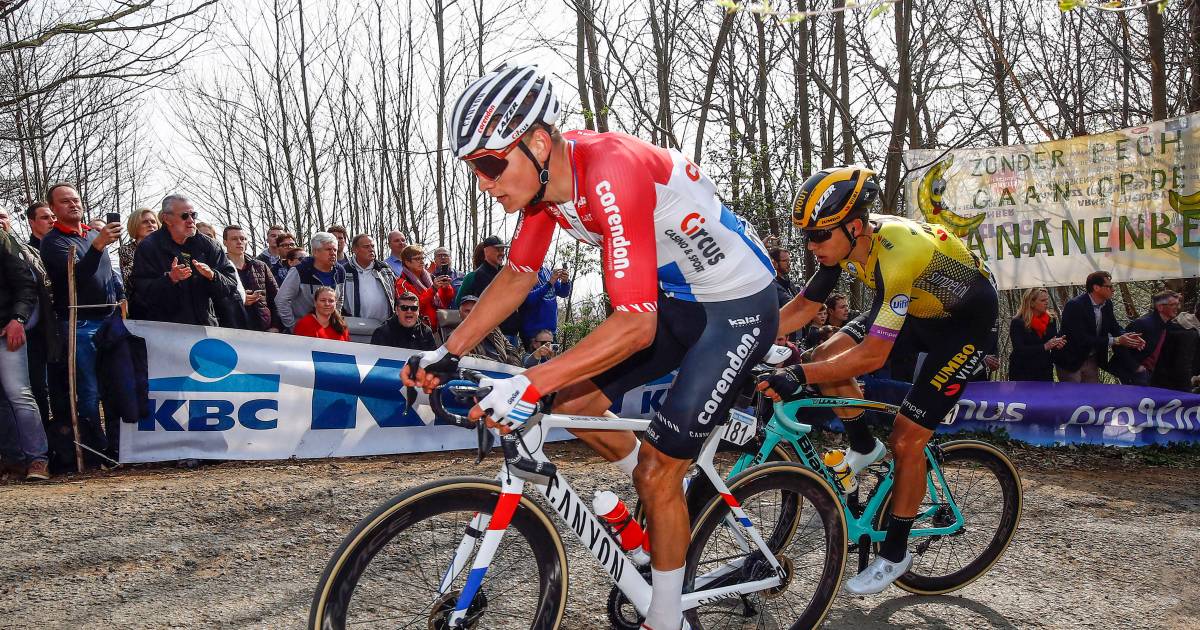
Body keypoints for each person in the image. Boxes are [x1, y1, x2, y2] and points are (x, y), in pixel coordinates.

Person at [403, 64, 778, 630]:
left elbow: (634, 325)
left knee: (656, 470)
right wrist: (448, 352)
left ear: (535, 142)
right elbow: (517, 276)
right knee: (578, 410)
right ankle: (659, 506)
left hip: (735, 306)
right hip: (676, 300)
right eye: (473, 168)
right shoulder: (545, 188)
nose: (482, 181)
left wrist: (531, 382)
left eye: (488, 162)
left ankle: (667, 614)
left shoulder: (610, 170)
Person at [761, 165, 1000, 595]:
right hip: (918, 309)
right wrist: (744, 342)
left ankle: (895, 551)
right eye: (807, 236)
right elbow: (800, 308)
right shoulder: (845, 246)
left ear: (854, 226)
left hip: (963, 327)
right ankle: (862, 445)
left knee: (908, 439)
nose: (811, 245)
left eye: (819, 235)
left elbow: (873, 356)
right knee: (825, 354)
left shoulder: (898, 254)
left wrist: (797, 375)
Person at [39, 183, 123, 460]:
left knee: (114, 384)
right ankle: (96, 448)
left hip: (109, 318)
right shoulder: (53, 241)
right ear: (53, 209)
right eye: (65, 202)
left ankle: (117, 444)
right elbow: (73, 278)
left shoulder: (92, 233)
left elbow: (108, 276)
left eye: (76, 200)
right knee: (89, 390)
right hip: (79, 323)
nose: (73, 205)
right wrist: (98, 247)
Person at [130, 195, 239, 326]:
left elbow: (231, 284)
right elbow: (142, 293)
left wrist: (213, 276)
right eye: (184, 216)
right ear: (166, 218)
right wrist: (170, 279)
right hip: (167, 330)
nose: (191, 220)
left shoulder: (209, 245)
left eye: (194, 215)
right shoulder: (149, 247)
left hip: (205, 327)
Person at [0, 223, 50, 480]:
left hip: (6, 330)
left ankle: (37, 460)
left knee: (19, 394)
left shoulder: (3, 240)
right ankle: (13, 460)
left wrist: (18, 319)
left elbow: (25, 285)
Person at [1056, 271, 1144, 383]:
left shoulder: (1107, 304)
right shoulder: (1075, 306)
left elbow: (1114, 327)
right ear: (1096, 288)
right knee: (1073, 397)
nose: (1113, 290)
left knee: (1093, 396)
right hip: (1071, 360)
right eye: (1109, 287)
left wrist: (1128, 337)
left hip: (1092, 359)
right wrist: (1116, 340)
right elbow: (1081, 338)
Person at [276, 232, 345, 331]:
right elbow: (281, 300)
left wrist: (334, 322)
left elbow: (339, 300)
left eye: (335, 249)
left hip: (328, 330)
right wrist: (294, 327)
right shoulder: (300, 271)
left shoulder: (340, 271)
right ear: (315, 252)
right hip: (303, 331)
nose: (333, 253)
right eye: (328, 249)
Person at [1113, 290, 1181, 386]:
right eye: (1173, 305)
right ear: (1160, 307)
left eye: (1178, 304)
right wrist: (1136, 367)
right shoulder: (1142, 323)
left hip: (1152, 373)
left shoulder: (1169, 325)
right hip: (1133, 373)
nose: (1177, 308)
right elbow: (1119, 346)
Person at [223, 225, 282, 332]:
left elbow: (276, 297)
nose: (239, 242)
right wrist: (240, 298)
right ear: (225, 242)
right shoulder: (219, 267)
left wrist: (275, 326)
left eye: (243, 239)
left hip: (263, 328)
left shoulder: (260, 266)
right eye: (234, 239)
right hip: (231, 328)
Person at [1008, 288, 1064, 382]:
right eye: (1042, 300)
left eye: (1047, 300)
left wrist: (1058, 345)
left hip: (1044, 369)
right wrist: (1044, 347)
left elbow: (1052, 342)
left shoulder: (1051, 319)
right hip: (1022, 370)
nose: (1046, 303)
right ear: (1031, 303)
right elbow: (1019, 350)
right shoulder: (1018, 322)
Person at [395, 245, 455, 328]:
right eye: (417, 259)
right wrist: (433, 289)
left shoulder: (430, 278)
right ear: (407, 262)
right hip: (417, 330)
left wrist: (446, 287)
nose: (422, 261)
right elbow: (412, 307)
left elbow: (445, 302)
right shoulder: (402, 283)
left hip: (437, 328)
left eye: (422, 258)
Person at [341, 234, 396, 324]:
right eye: (366, 247)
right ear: (355, 250)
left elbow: (396, 295)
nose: (371, 249)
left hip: (385, 327)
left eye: (372, 246)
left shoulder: (384, 269)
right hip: (355, 327)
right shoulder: (344, 271)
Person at [457, 295, 522, 365]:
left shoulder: (494, 330)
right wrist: (500, 362)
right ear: (460, 314)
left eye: (475, 310)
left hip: (504, 372)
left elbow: (514, 354)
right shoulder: (456, 337)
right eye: (467, 311)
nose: (471, 314)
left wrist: (507, 363)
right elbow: (466, 359)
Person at [518, 266, 571, 348]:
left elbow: (563, 293)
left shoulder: (548, 272)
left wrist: (565, 282)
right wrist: (549, 283)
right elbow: (529, 300)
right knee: (535, 360)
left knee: (553, 360)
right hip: (534, 334)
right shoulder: (524, 273)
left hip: (551, 332)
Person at [370, 292, 437, 350]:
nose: (409, 311)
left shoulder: (426, 332)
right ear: (396, 310)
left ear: (418, 311)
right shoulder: (382, 332)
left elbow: (433, 361)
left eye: (414, 308)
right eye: (404, 308)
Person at [454, 235, 506, 306]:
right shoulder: (473, 277)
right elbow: (459, 304)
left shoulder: (506, 274)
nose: (502, 253)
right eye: (498, 250)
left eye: (503, 250)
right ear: (486, 252)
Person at [118, 207, 160, 294]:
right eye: (145, 222)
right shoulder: (126, 251)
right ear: (135, 226)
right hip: (141, 301)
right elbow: (130, 280)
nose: (150, 225)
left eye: (153, 222)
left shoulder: (165, 248)